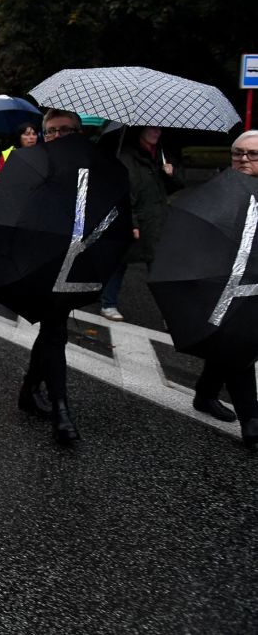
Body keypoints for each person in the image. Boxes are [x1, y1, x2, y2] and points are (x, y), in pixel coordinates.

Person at [18, 109, 89, 444]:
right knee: (55, 331)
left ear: (79, 132)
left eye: (66, 130)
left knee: (51, 331)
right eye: (52, 131)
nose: (58, 137)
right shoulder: (29, 165)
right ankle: (62, 412)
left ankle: (30, 389)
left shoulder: (94, 168)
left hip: (73, 261)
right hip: (40, 261)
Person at [191, 130, 258, 443]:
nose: (243, 159)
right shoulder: (218, 190)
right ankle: (251, 419)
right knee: (238, 347)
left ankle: (205, 394)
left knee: (228, 344)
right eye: (237, 153)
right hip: (222, 282)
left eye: (252, 154)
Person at [99, 125, 182, 322]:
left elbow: (171, 188)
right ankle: (108, 303)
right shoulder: (127, 157)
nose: (157, 133)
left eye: (159, 130)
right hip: (134, 219)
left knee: (160, 269)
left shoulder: (161, 155)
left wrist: (171, 175)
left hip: (156, 220)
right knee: (120, 263)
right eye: (152, 129)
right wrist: (132, 222)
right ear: (140, 131)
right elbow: (125, 193)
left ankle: (169, 314)